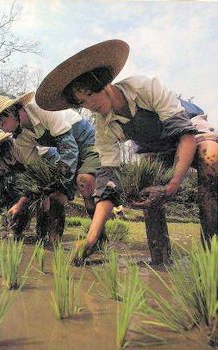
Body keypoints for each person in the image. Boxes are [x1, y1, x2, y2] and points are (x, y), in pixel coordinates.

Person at [35, 39, 218, 264]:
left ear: (103, 83)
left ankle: (212, 252)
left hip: (187, 130)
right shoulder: (104, 126)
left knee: (211, 155)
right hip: (157, 148)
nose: (90, 104)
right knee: (147, 187)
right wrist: (91, 238)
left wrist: (172, 185)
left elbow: (185, 136)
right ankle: (160, 261)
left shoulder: (144, 87)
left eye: (91, 94)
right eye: (82, 102)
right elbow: (107, 182)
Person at [0, 92, 102, 243]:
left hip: (86, 141)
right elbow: (36, 170)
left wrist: (57, 179)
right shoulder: (20, 139)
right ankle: (54, 244)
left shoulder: (42, 108)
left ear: (12, 111)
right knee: (56, 196)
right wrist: (31, 196)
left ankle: (99, 239)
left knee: (85, 182)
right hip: (64, 152)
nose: (4, 131)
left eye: (2, 125)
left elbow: (69, 148)